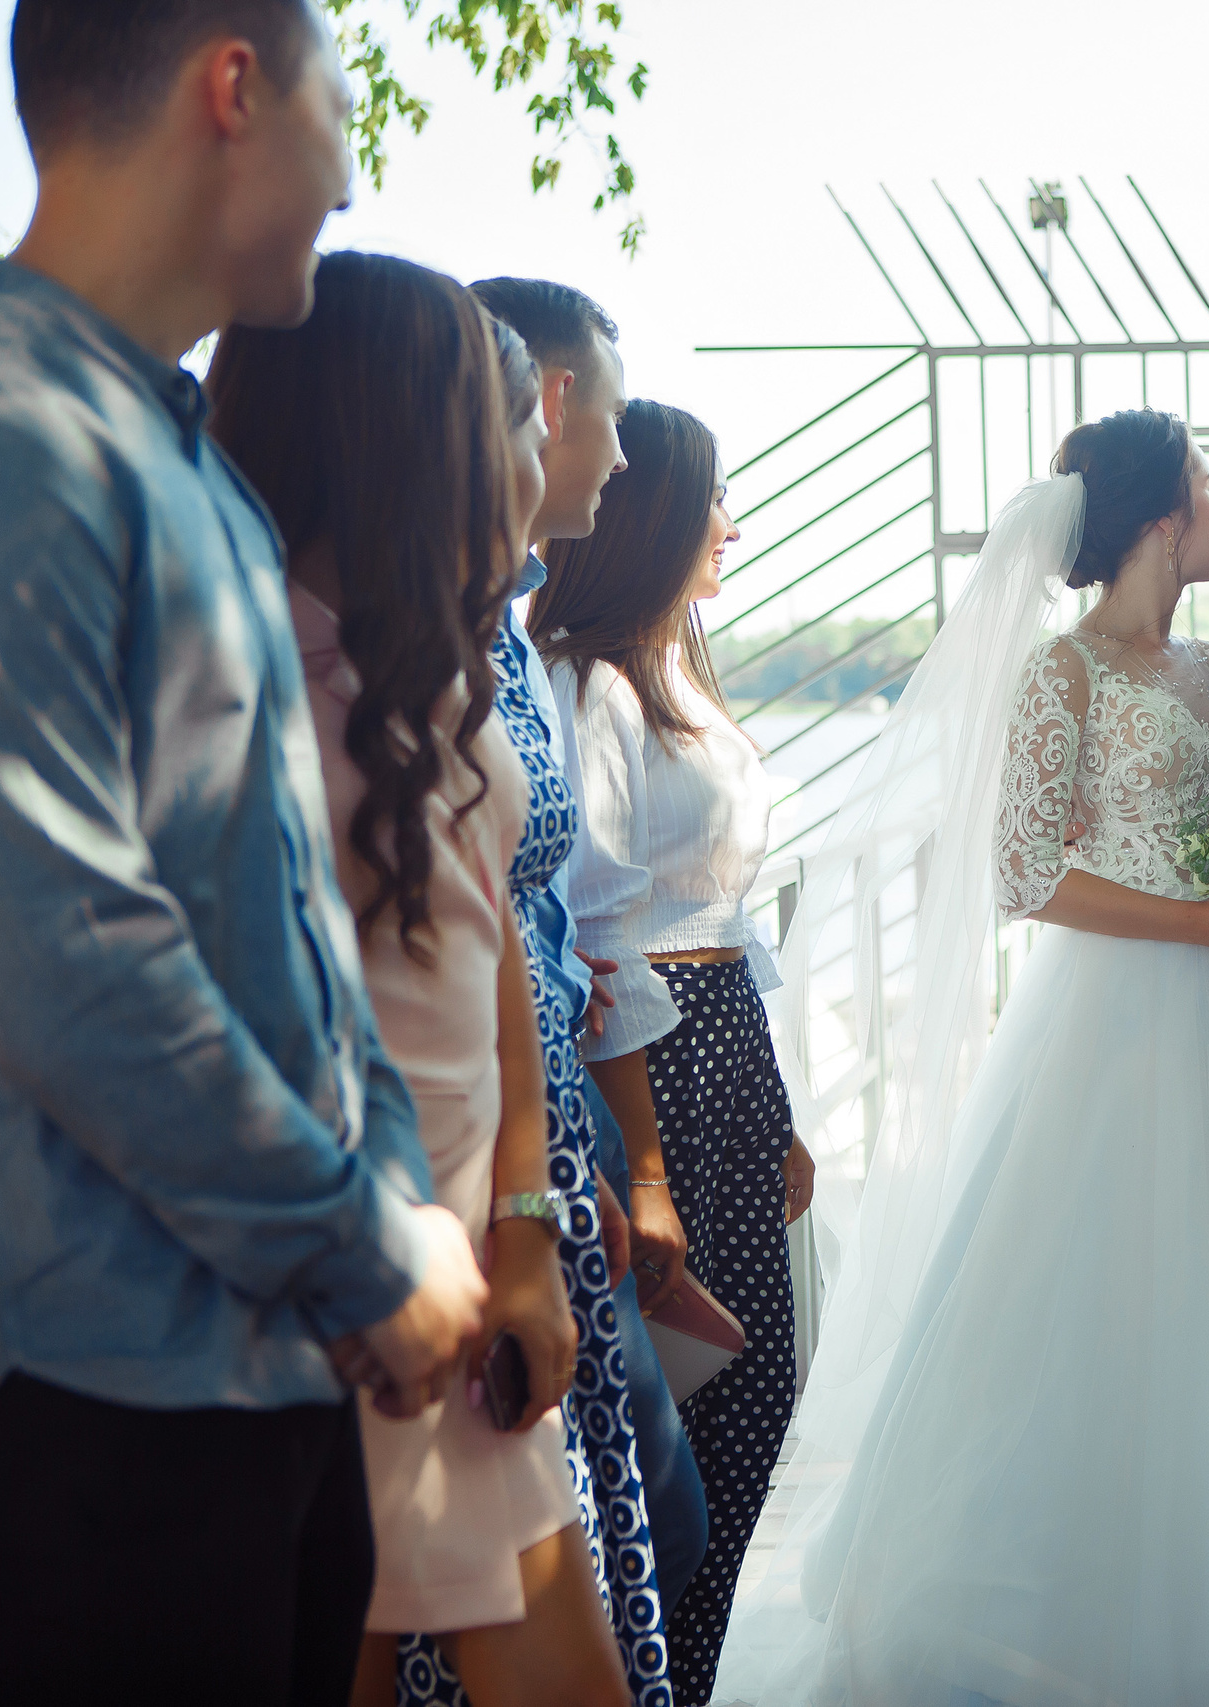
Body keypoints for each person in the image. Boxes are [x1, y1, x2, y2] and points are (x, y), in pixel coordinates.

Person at [0, 2, 491, 1700]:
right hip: (82, 1390)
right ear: (234, 85)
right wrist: (367, 1250)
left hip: (263, 1364)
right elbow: (66, 955)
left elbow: (285, 914)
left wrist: (390, 1217)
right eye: (342, 114)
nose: (353, 181)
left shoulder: (192, 468)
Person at [714, 409, 1209, 1705]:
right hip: (1114, 1024)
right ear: (1156, 515)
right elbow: (1025, 872)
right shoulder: (1061, 674)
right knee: (1097, 1294)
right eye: (1204, 479)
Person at [206, 252, 632, 1707]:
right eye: (520, 425)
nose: (545, 456)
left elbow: (496, 952)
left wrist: (523, 1233)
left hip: (473, 1286)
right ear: (424, 439)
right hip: (330, 1298)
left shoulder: (445, 668)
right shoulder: (232, 688)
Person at [533, 399, 814, 1701]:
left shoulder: (676, 670)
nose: (729, 523)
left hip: (726, 1046)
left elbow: (722, 907)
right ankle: (655, 1677)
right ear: (653, 517)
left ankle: (675, 1675)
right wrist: (642, 1161)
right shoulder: (586, 685)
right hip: (649, 1053)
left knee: (756, 1384)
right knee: (690, 1403)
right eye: (711, 499)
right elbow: (601, 925)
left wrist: (778, 1106)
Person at [455, 277, 679, 1705]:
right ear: (545, 401)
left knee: (629, 1504)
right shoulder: (429, 653)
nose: (616, 450)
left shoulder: (511, 626)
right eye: (605, 412)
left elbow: (527, 916)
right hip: (470, 1180)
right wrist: (518, 1199)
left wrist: (578, 1158)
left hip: (538, 1141)